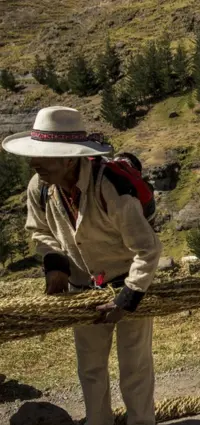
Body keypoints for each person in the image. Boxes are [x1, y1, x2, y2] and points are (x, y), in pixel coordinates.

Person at [2, 106, 162, 425]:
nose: (34, 163)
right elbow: (40, 230)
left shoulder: (112, 188)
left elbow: (148, 249)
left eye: (43, 156)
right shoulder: (41, 186)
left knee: (135, 368)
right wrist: (56, 266)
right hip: (81, 290)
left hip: (129, 284)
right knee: (90, 370)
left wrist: (127, 299)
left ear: (68, 158)